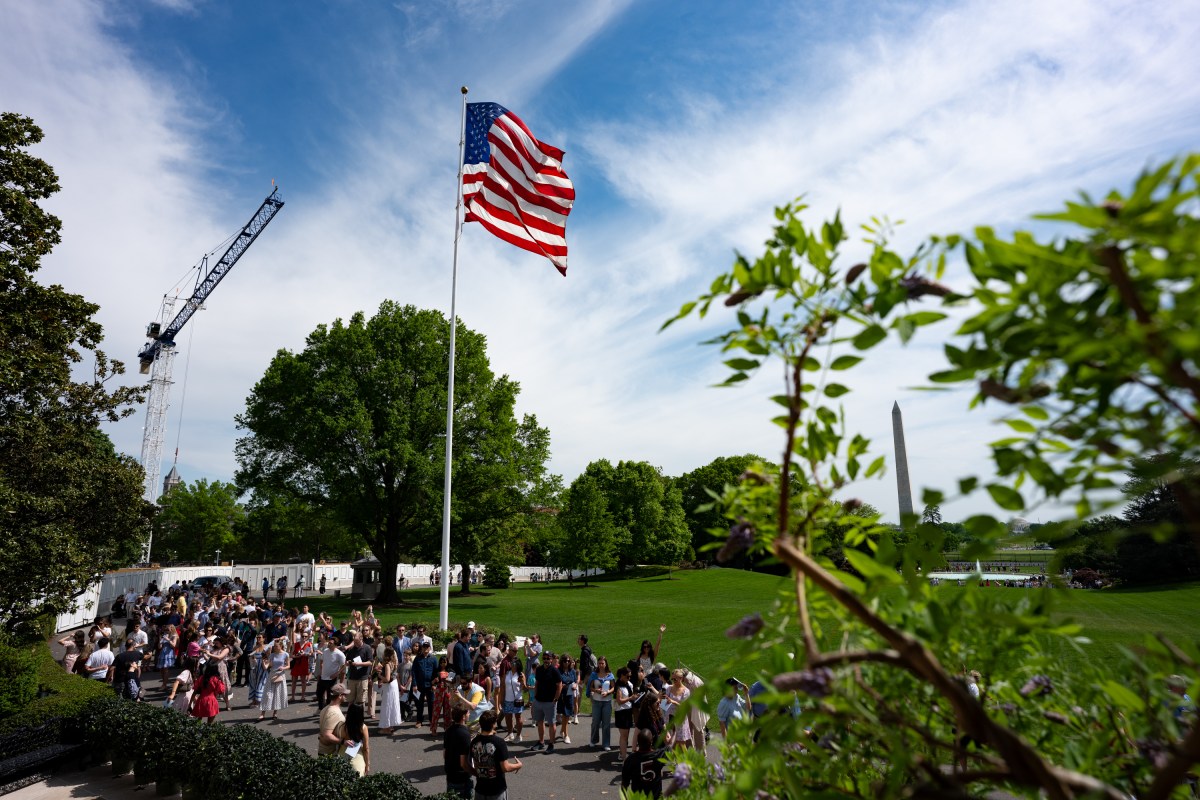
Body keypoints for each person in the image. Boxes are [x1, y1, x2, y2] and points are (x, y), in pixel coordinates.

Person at [470, 710, 522, 800]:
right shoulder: (499, 742)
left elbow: (475, 764)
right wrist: (518, 765)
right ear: (493, 724)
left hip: (480, 789)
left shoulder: (474, 742)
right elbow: (505, 767)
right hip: (496, 790)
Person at [531, 650, 563, 753]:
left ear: (551, 659)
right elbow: (537, 683)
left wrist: (556, 698)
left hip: (550, 701)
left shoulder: (554, 670)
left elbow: (559, 685)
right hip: (539, 700)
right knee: (540, 722)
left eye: (548, 658)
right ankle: (541, 742)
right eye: (544, 658)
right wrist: (535, 696)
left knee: (551, 723)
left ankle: (551, 744)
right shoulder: (539, 669)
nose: (546, 660)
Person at [621, 728, 665, 798]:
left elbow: (624, 784)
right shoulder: (658, 755)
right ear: (651, 741)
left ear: (638, 742)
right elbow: (670, 746)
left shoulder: (630, 760)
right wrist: (674, 733)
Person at [443, 706, 474, 799]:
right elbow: (463, 763)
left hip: (450, 774)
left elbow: (445, 754)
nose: (469, 714)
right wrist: (474, 772)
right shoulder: (464, 734)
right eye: (468, 713)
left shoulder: (448, 731)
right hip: (461, 778)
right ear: (463, 717)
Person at [258, 638, 290, 721]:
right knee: (267, 694)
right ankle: (262, 714)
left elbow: (288, 665)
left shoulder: (285, 654)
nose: (275, 648)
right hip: (272, 675)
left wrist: (283, 667)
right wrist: (263, 662)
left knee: (277, 694)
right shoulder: (272, 655)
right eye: (274, 646)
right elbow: (267, 666)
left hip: (280, 675)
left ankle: (275, 713)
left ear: (281, 646)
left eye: (276, 646)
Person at [335, 703, 371, 776]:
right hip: (357, 757)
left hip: (342, 755)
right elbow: (366, 749)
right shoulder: (363, 728)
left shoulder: (341, 726)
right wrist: (367, 764)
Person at [499, 649, 526, 742]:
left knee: (518, 717)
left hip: (517, 699)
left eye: (514, 663)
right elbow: (502, 686)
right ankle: (510, 733)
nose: (512, 664)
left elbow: (525, 689)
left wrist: (523, 683)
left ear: (518, 664)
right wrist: (501, 699)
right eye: (511, 663)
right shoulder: (507, 673)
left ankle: (518, 735)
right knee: (508, 717)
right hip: (507, 699)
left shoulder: (521, 675)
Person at [590, 656, 616, 750]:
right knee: (595, 722)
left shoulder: (610, 675)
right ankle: (593, 740)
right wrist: (596, 690)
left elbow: (613, 687)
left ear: (606, 664)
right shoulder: (594, 674)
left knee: (606, 724)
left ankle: (606, 744)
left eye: (602, 663)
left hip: (607, 702)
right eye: (599, 663)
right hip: (596, 701)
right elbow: (591, 687)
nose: (601, 665)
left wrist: (608, 692)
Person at [316, 634, 347, 710]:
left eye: (330, 643)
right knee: (319, 693)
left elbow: (344, 665)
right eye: (329, 642)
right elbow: (322, 661)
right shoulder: (326, 651)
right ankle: (320, 709)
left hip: (331, 678)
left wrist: (337, 673)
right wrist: (321, 670)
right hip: (323, 676)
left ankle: (328, 710)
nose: (328, 644)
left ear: (335, 645)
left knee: (330, 696)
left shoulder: (340, 654)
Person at [344, 630, 375, 706]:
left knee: (360, 701)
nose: (355, 643)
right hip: (352, 677)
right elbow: (347, 661)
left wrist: (360, 664)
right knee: (350, 699)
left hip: (362, 678)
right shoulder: (351, 649)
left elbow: (370, 662)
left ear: (361, 639)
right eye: (354, 641)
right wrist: (347, 663)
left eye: (357, 641)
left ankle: (360, 716)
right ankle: (351, 716)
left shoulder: (367, 648)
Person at [318, 683, 350, 756]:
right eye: (345, 694)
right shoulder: (335, 713)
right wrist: (343, 742)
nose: (346, 696)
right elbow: (327, 735)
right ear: (339, 696)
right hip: (329, 754)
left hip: (324, 751)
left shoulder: (326, 708)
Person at [377, 646, 402, 735]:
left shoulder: (387, 664)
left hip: (389, 686)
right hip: (394, 684)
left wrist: (379, 675)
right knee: (392, 705)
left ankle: (386, 727)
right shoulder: (394, 662)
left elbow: (387, 679)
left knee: (387, 705)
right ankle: (390, 725)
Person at [413, 642, 437, 727]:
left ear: (430, 648)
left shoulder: (433, 659)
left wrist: (434, 684)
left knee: (431, 703)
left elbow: (435, 672)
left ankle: (431, 720)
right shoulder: (417, 658)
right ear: (422, 648)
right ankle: (419, 720)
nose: (426, 649)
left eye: (427, 647)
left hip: (430, 685)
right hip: (420, 685)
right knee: (420, 704)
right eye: (424, 647)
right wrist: (414, 684)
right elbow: (414, 672)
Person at [614, 666, 636, 759]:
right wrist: (630, 698)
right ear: (622, 675)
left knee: (626, 735)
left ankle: (621, 753)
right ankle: (624, 757)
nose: (629, 678)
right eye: (627, 676)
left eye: (630, 676)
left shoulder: (629, 684)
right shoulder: (618, 686)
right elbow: (619, 701)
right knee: (624, 735)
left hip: (628, 711)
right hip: (621, 712)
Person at [556, 654, 578, 745]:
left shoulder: (572, 671)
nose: (567, 663)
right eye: (565, 661)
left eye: (569, 661)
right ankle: (566, 735)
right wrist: (563, 685)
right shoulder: (558, 671)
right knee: (565, 714)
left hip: (570, 695)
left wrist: (575, 685)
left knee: (567, 715)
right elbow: (556, 683)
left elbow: (575, 681)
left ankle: (562, 731)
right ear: (562, 662)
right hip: (562, 695)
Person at [290, 630, 313, 702]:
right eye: (302, 636)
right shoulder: (296, 644)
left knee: (303, 681)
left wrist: (305, 654)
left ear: (308, 637)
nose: (304, 637)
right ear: (300, 636)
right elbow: (291, 655)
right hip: (296, 663)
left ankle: (303, 696)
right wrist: (296, 656)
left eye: (305, 636)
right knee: (294, 681)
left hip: (304, 663)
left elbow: (311, 654)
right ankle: (292, 696)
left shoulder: (309, 644)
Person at [247, 634, 268, 707]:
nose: (258, 639)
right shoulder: (254, 647)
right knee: (253, 683)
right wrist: (253, 659)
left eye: (260, 637)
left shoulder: (266, 647)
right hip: (255, 668)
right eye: (257, 637)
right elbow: (252, 658)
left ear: (264, 638)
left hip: (262, 667)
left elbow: (268, 657)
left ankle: (259, 701)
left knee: (261, 683)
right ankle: (254, 700)